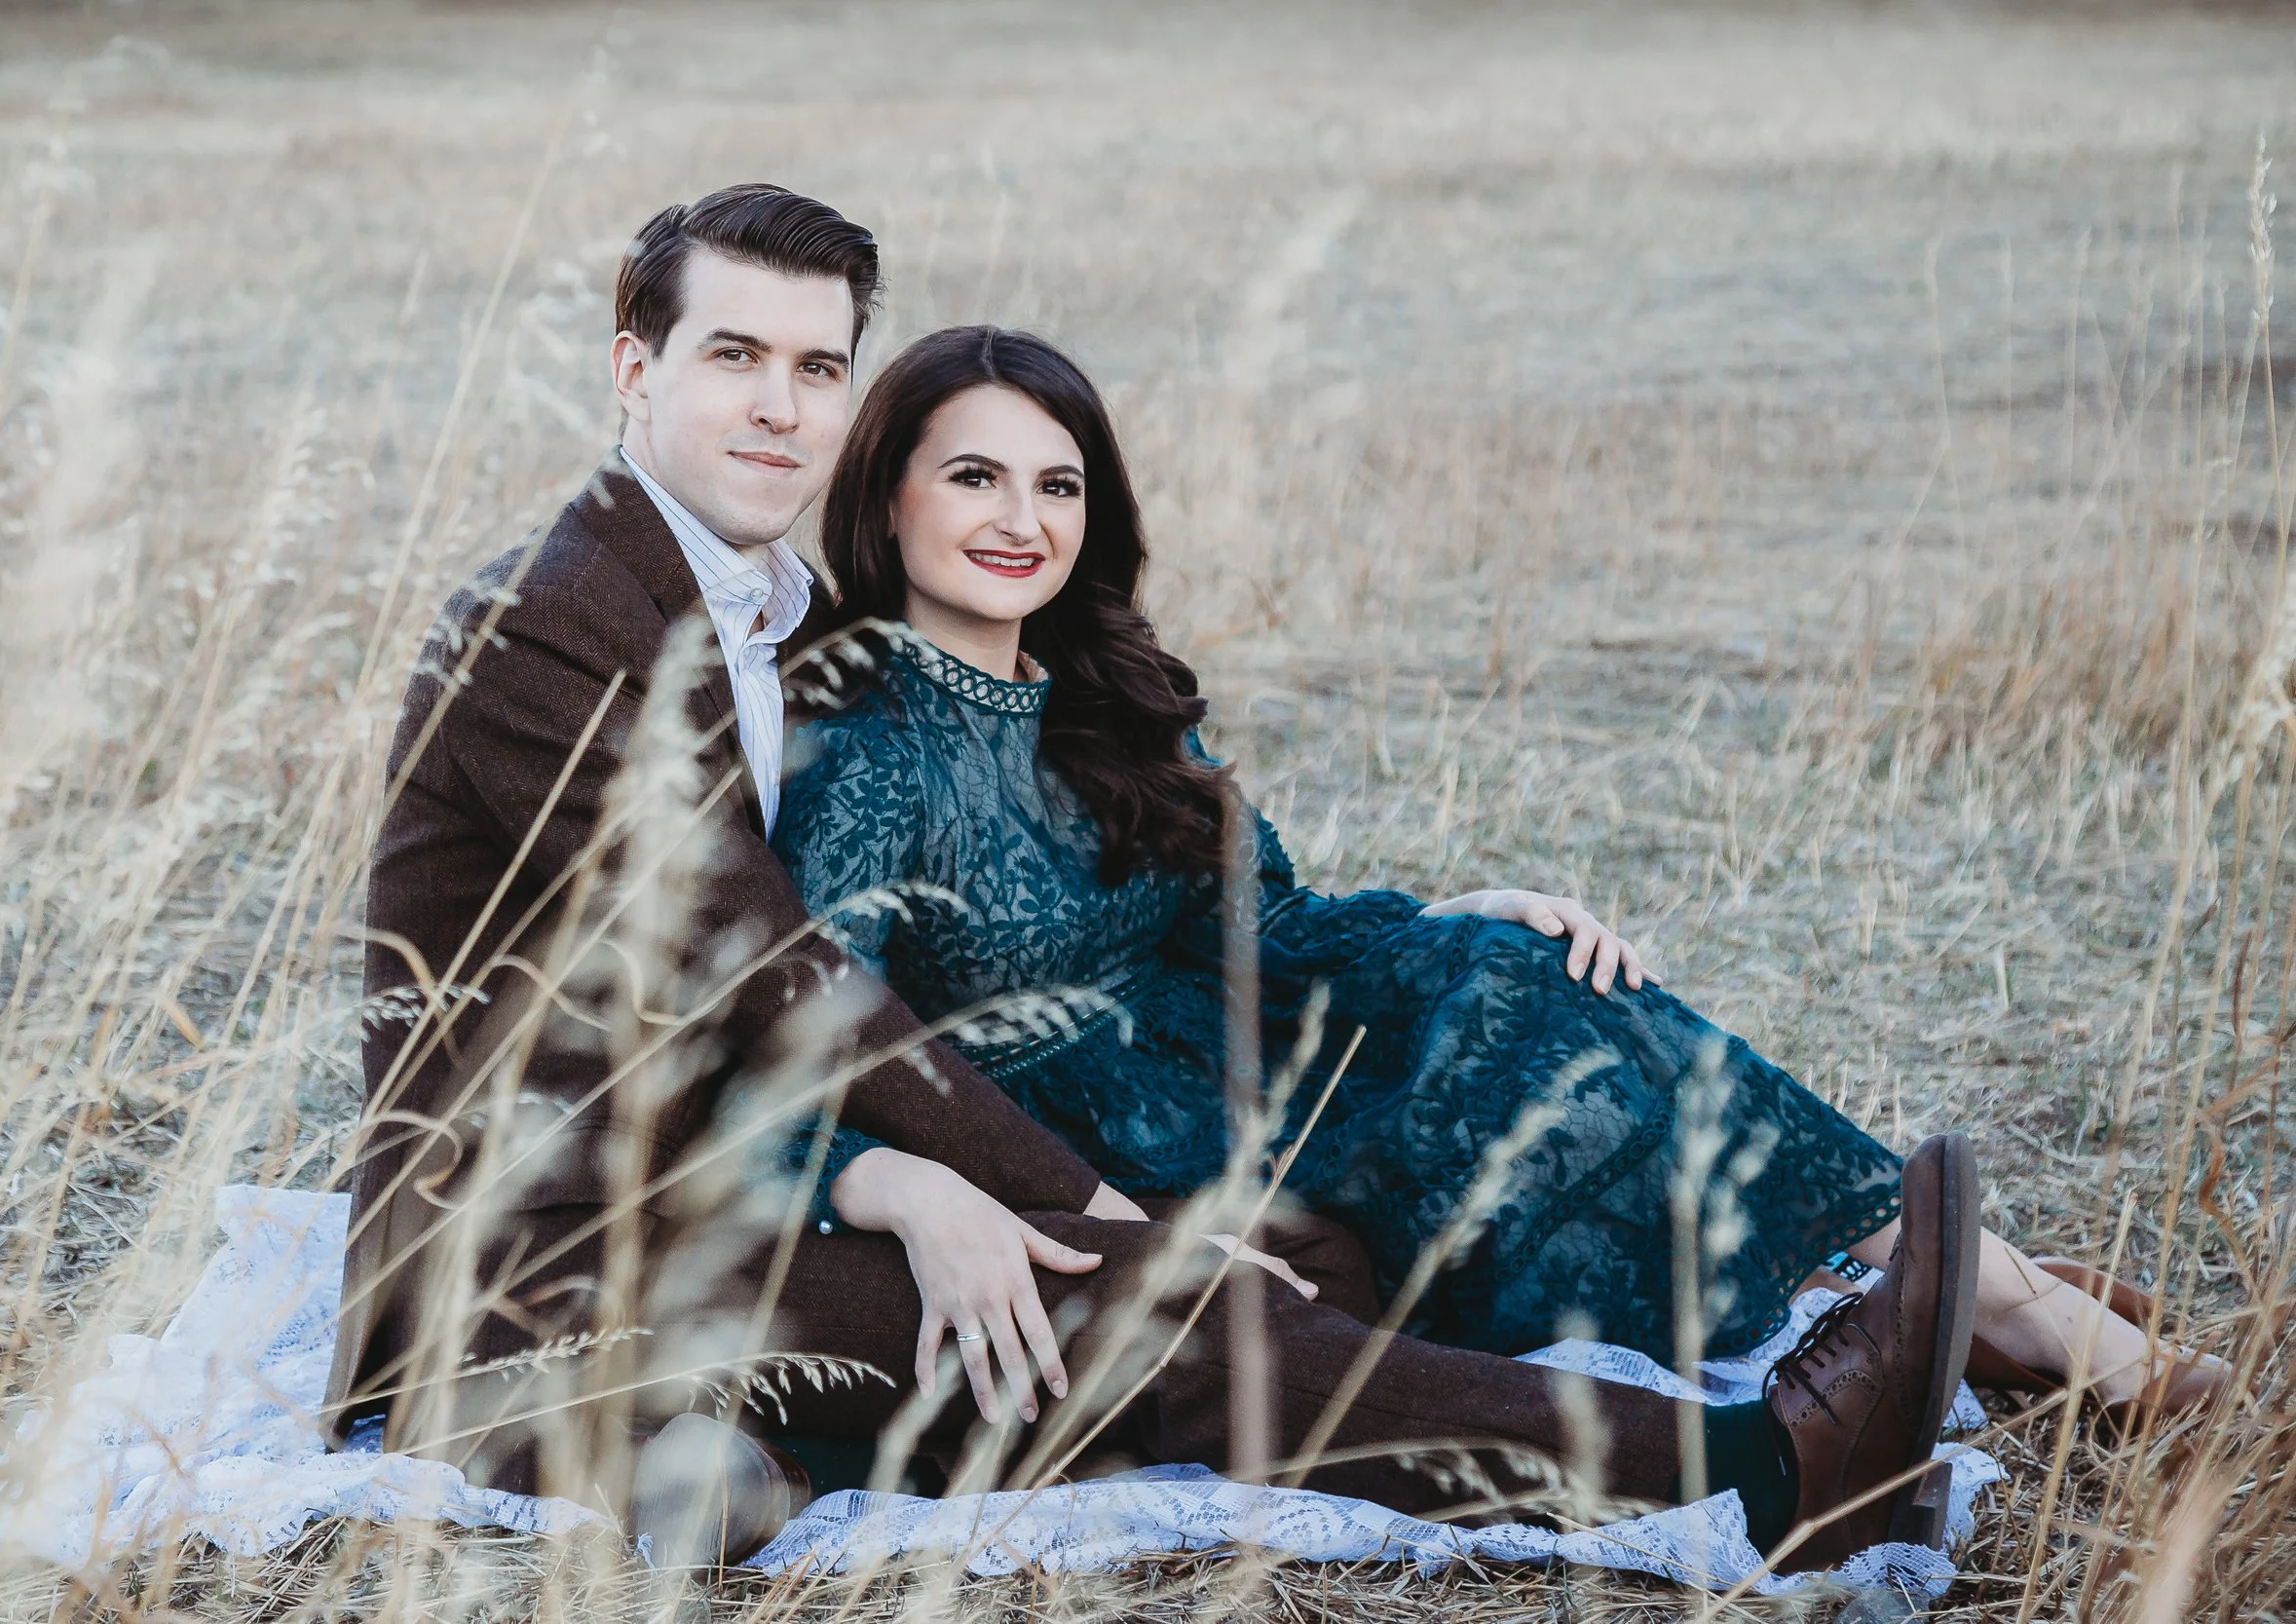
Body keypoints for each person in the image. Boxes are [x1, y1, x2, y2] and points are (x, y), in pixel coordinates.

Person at [328, 190, 1980, 1572]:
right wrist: (1046, 1201)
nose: (779, 403)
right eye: (733, 356)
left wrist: (937, 1187)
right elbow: (782, 978)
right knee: (1180, 1305)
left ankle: (765, 1442)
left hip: (719, 1186)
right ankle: (1769, 1467)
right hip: (546, 1261)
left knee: (1276, 1260)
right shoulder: (554, 620)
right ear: (635, 367)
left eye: (817, 364)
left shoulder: (751, 602)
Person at [768, 326, 2225, 1436]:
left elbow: (1266, 921)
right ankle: (2031, 1317)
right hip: (1104, 1134)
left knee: (1539, 972)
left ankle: (2011, 1305)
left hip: (1262, 1054)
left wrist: (1448, 914)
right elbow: (805, 1041)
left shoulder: (1109, 694)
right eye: (975, 475)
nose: (1021, 516)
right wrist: (893, 1186)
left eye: (1056, 482)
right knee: (1540, 1064)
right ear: (888, 492)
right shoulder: (862, 743)